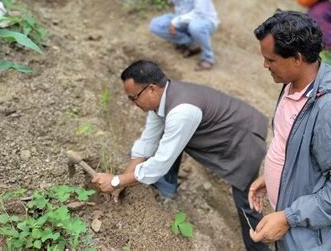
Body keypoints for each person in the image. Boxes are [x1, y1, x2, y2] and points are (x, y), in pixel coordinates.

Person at [92, 60, 270, 251]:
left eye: (133, 98)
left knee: (246, 200)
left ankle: (259, 245)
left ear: (151, 89)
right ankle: (168, 186)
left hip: (244, 139)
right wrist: (121, 182)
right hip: (233, 127)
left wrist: (117, 181)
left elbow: (159, 164)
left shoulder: (181, 112)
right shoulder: (162, 100)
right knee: (169, 139)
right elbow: (147, 143)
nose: (133, 104)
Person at [248, 10, 331, 250]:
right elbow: (292, 146)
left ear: (297, 59)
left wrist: (288, 217)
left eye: (271, 60)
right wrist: (276, 177)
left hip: (315, 241)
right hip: (295, 230)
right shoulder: (294, 86)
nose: (264, 65)